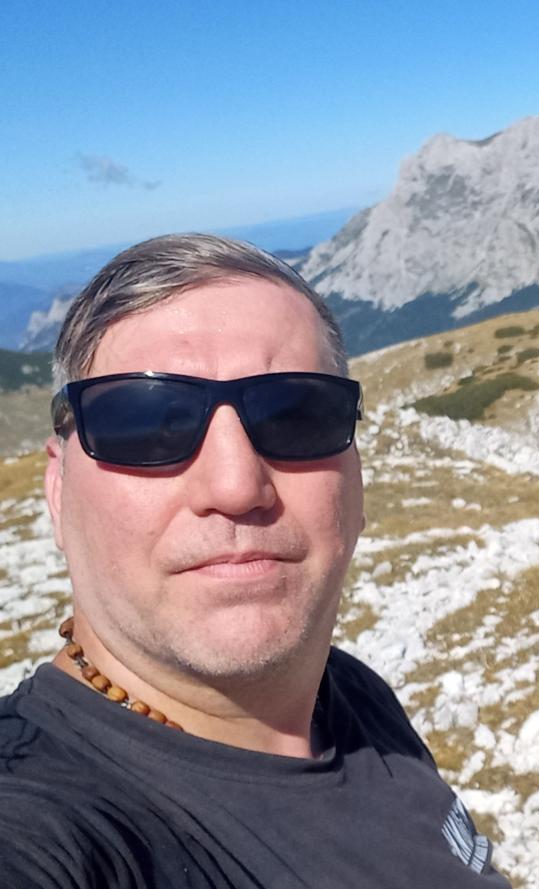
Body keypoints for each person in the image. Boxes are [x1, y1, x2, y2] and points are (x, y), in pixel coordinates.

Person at [0, 234, 510, 888]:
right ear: (58, 490)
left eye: (297, 414)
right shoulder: (41, 816)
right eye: (146, 423)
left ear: (355, 478)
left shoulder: (351, 693)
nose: (237, 486)